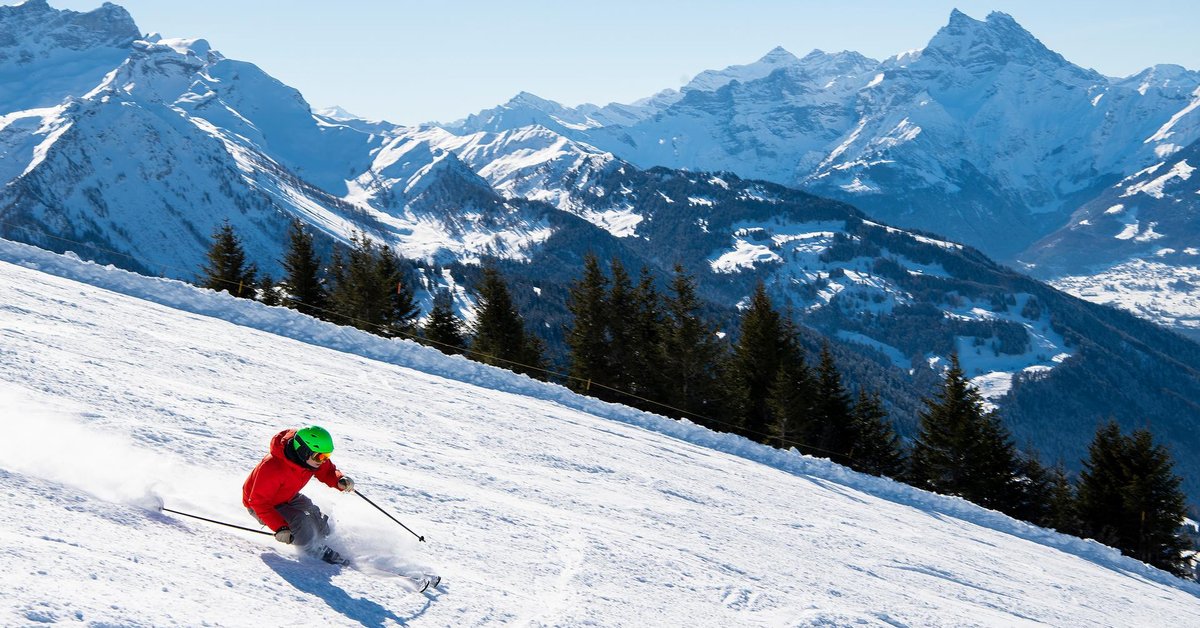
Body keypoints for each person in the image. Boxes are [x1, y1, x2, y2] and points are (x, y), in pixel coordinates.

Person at [242, 426, 355, 564]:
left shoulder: (310, 461)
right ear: (303, 450)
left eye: (327, 456)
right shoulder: (273, 467)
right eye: (320, 456)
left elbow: (327, 471)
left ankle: (325, 535)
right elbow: (258, 502)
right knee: (300, 520)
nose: (323, 460)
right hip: (261, 505)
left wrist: (339, 480)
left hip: (286, 495)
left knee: (311, 509)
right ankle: (313, 548)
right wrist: (280, 528)